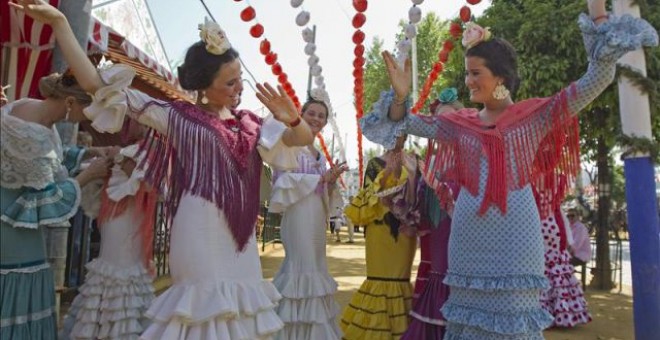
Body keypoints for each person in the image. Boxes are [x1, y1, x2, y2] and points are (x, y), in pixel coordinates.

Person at [11, 2, 315, 339]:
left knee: (242, 315)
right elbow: (98, 85)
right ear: (204, 85)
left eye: (239, 80)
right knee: (200, 312)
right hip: (197, 232)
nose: (238, 89)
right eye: (229, 83)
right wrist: (61, 23)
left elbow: (298, 139)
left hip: (239, 241)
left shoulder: (251, 125)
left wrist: (293, 117)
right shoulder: (175, 116)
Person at [358, 0, 658, 337]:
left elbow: (596, 79)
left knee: (513, 321)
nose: (468, 81)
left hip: (516, 238)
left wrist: (599, 18)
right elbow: (404, 124)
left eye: (476, 73)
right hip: (467, 237)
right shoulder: (460, 124)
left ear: (500, 76)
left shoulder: (537, 116)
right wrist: (400, 97)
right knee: (467, 322)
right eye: (467, 72)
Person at [1, 71, 114, 339]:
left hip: (8, 217)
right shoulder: (34, 133)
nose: (91, 117)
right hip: (13, 229)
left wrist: (90, 152)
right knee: (19, 295)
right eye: (90, 109)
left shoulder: (26, 106)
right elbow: (43, 199)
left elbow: (50, 160)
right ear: (70, 104)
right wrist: (89, 175)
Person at [60, 144, 159, 339]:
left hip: (131, 220)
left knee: (123, 269)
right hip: (115, 217)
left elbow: (150, 183)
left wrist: (121, 160)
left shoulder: (154, 147)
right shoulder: (127, 146)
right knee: (111, 267)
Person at [269, 97, 348, 339]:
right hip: (297, 215)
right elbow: (281, 182)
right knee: (299, 268)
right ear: (300, 115)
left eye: (321, 115)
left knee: (315, 266)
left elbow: (321, 190)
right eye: (311, 113)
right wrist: (319, 179)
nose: (315, 118)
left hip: (316, 216)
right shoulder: (289, 143)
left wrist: (330, 181)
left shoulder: (318, 153)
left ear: (325, 122)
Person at [341, 135, 419, 339]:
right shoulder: (375, 163)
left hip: (404, 233)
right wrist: (386, 177)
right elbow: (369, 198)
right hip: (379, 230)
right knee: (379, 279)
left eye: (401, 129)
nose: (397, 135)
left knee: (400, 280)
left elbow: (418, 198)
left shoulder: (415, 161)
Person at [403, 88, 463, 340]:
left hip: (464, 231)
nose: (444, 125)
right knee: (437, 273)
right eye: (438, 120)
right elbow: (419, 204)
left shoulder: (470, 156)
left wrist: (439, 186)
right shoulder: (433, 160)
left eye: (451, 119)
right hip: (437, 232)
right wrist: (415, 177)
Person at [534, 176, 591, 328]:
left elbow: (563, 220)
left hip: (553, 241)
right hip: (545, 238)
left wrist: (569, 242)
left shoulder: (554, 203)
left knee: (555, 278)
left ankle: (552, 315)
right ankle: (550, 315)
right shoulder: (537, 189)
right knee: (553, 278)